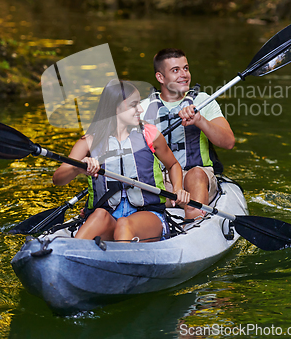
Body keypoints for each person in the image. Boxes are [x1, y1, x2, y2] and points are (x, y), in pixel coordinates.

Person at [53, 79, 190, 242]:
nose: (140, 109)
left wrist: (178, 188)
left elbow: (173, 164)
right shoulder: (89, 141)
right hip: (109, 218)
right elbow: (58, 179)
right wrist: (78, 167)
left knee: (124, 224)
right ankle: (70, 256)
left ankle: (122, 263)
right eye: (134, 105)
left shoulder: (149, 134)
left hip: (147, 215)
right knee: (99, 215)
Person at [140, 48, 235, 220]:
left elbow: (228, 142)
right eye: (175, 70)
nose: (184, 74)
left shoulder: (203, 101)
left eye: (186, 68)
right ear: (160, 77)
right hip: (160, 180)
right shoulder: (142, 108)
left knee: (196, 174)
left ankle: (195, 222)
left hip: (198, 177)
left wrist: (200, 121)